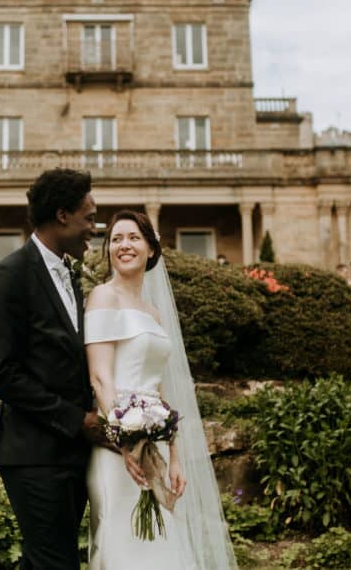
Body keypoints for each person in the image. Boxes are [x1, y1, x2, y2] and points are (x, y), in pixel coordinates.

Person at [84, 210, 237, 569]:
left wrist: (176, 455)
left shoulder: (152, 313)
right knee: (121, 546)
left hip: (157, 446)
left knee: (162, 545)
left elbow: (159, 386)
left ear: (151, 250)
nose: (124, 245)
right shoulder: (103, 298)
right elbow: (100, 378)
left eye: (134, 238)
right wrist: (125, 440)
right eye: (117, 239)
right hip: (117, 449)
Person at [0, 168, 105, 569]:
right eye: (89, 217)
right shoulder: (10, 275)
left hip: (72, 453)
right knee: (57, 564)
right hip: (32, 454)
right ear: (63, 215)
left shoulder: (70, 272)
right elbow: (1, 372)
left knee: (45, 562)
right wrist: (76, 419)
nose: (94, 227)